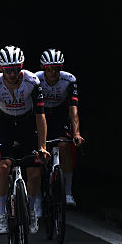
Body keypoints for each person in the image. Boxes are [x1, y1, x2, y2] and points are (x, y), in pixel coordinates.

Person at [0, 45, 49, 235]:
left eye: (16, 69)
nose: (12, 74)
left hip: (27, 124)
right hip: (4, 125)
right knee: (3, 166)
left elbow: (40, 116)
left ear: (21, 67)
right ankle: (1, 212)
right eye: (8, 70)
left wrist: (43, 146)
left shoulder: (33, 82)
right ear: (0, 68)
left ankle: (30, 209)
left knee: (35, 172)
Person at [34, 48, 83, 206]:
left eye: (57, 69)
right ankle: (37, 196)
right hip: (40, 114)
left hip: (60, 114)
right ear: (44, 68)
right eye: (50, 69)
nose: (53, 72)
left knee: (64, 146)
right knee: (39, 154)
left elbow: (73, 108)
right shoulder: (35, 79)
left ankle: (68, 192)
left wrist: (76, 133)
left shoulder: (69, 80)